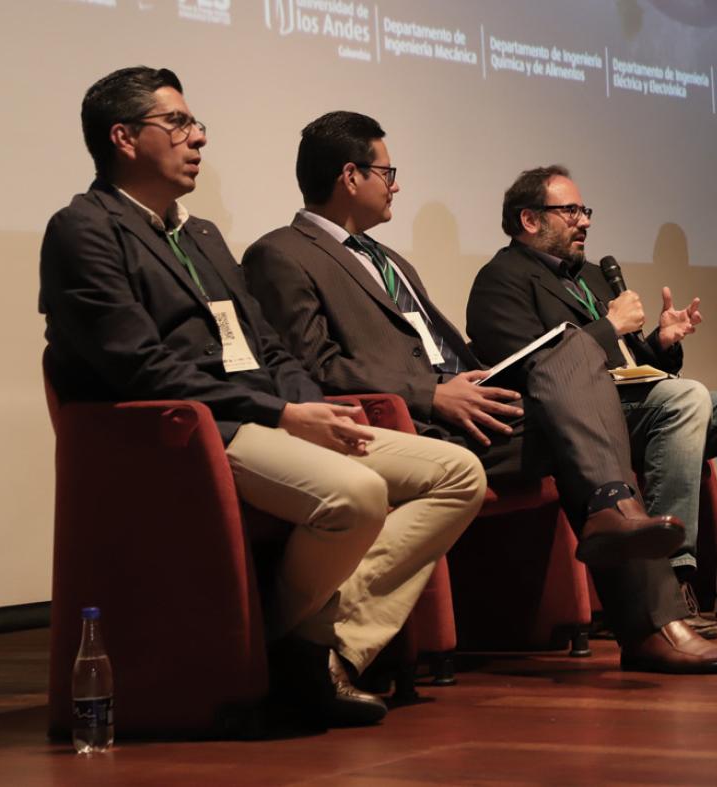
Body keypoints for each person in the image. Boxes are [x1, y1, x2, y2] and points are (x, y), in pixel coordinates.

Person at [39, 68, 486, 727]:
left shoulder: (203, 235)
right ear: (123, 138)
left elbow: (270, 346)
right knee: (357, 494)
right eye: (180, 125)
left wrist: (310, 407)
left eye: (198, 126)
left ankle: (311, 646)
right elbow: (139, 366)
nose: (198, 139)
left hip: (267, 417)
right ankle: (287, 656)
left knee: (456, 472)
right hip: (193, 431)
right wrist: (280, 414)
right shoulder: (84, 229)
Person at [242, 114, 717, 673]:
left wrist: (481, 379)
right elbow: (312, 367)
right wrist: (433, 394)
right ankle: (651, 615)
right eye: (388, 171)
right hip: (416, 424)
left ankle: (615, 522)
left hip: (476, 402)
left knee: (572, 355)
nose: (397, 184)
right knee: (582, 396)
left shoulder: (390, 259)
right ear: (350, 175)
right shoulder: (282, 253)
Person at [466, 165, 717, 627]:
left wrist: (661, 343)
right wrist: (609, 327)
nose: (585, 220)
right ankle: (673, 582)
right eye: (570, 210)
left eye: (585, 210)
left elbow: (631, 363)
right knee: (685, 399)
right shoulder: (500, 280)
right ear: (530, 220)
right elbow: (534, 369)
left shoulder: (593, 276)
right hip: (572, 420)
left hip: (634, 403)